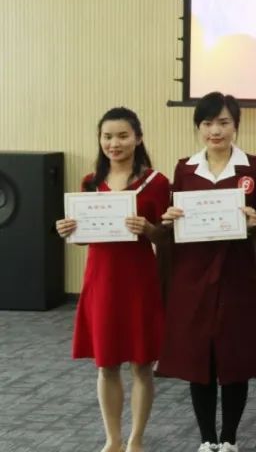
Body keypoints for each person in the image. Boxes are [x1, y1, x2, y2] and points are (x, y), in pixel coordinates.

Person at [158, 92, 256, 452]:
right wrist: (170, 218)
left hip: (237, 274)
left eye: (224, 122)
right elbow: (173, 221)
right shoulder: (185, 168)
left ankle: (229, 439)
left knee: (234, 358)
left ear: (235, 126)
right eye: (207, 123)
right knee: (200, 359)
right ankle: (207, 439)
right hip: (193, 275)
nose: (215, 131)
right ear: (198, 127)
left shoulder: (252, 167)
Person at [55, 107, 170, 452]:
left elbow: (167, 237)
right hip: (101, 282)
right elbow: (87, 237)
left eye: (122, 136)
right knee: (106, 364)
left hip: (138, 282)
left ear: (138, 138)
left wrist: (148, 229)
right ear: (100, 139)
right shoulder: (90, 183)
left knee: (142, 365)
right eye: (107, 137)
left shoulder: (156, 182)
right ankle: (113, 439)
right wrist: (69, 230)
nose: (114, 143)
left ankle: (136, 439)